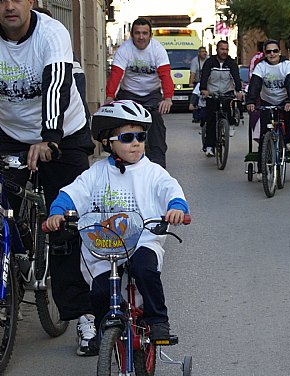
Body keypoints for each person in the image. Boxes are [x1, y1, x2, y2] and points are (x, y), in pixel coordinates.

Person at [44, 100, 189, 341]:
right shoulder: (96, 173)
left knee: (145, 270)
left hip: (143, 239)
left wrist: (176, 207)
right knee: (100, 292)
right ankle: (104, 332)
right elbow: (72, 193)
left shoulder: (152, 172)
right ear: (107, 142)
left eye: (141, 137)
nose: (136, 143)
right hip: (102, 244)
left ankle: (157, 320)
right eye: (127, 137)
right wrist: (58, 212)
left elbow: (170, 190)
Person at [0, 0, 96, 356]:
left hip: (62, 133)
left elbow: (57, 84)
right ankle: (18, 249)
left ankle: (83, 315)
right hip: (9, 133)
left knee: (66, 224)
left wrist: (50, 138)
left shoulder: (52, 33)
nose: (9, 6)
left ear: (31, 3)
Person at [105, 17, 174, 168]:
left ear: (150, 35)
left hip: (152, 93)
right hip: (129, 93)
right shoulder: (125, 50)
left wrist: (167, 98)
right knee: (122, 124)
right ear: (132, 35)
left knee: (156, 121)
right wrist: (110, 97)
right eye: (137, 33)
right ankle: (120, 159)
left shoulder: (158, 50)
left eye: (145, 33)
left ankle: (158, 165)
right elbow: (116, 75)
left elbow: (165, 76)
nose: (141, 37)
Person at [245, 39, 290, 174]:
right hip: (267, 100)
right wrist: (251, 101)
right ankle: (261, 169)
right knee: (264, 134)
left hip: (284, 99)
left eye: (275, 51)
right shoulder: (261, 66)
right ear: (265, 53)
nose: (272, 54)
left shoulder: (287, 65)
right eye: (269, 52)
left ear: (279, 52)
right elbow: (255, 84)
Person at [199, 39, 243, 156]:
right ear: (217, 50)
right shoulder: (210, 62)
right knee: (211, 119)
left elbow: (236, 77)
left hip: (226, 92)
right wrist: (204, 89)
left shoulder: (231, 63)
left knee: (228, 109)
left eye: (226, 49)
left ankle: (230, 124)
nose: (224, 52)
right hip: (212, 93)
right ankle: (209, 146)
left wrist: (239, 90)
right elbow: (204, 76)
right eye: (222, 49)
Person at [189, 46, 208, 123]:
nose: (204, 53)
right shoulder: (195, 61)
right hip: (198, 81)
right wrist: (191, 82)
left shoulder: (208, 60)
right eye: (202, 52)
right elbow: (193, 73)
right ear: (199, 53)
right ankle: (196, 116)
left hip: (208, 81)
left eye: (205, 51)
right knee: (196, 97)